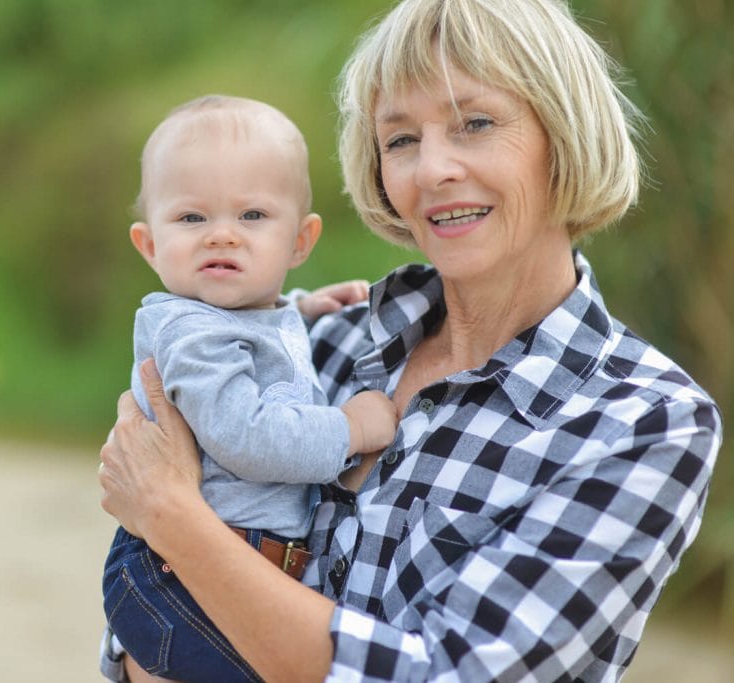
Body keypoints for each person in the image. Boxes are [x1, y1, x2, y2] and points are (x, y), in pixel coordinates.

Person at [99, 0, 724, 680]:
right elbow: (147, 628)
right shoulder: (329, 344)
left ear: (564, 133)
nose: (431, 170)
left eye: (475, 124)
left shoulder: (643, 420)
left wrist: (173, 517)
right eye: (400, 140)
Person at [102, 95, 398, 682]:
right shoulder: (190, 334)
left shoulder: (235, 316)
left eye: (252, 217)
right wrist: (352, 428)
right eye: (191, 218)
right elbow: (248, 436)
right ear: (150, 244)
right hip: (180, 576)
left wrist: (300, 310)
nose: (222, 237)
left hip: (221, 562)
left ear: (300, 242)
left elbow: (253, 337)